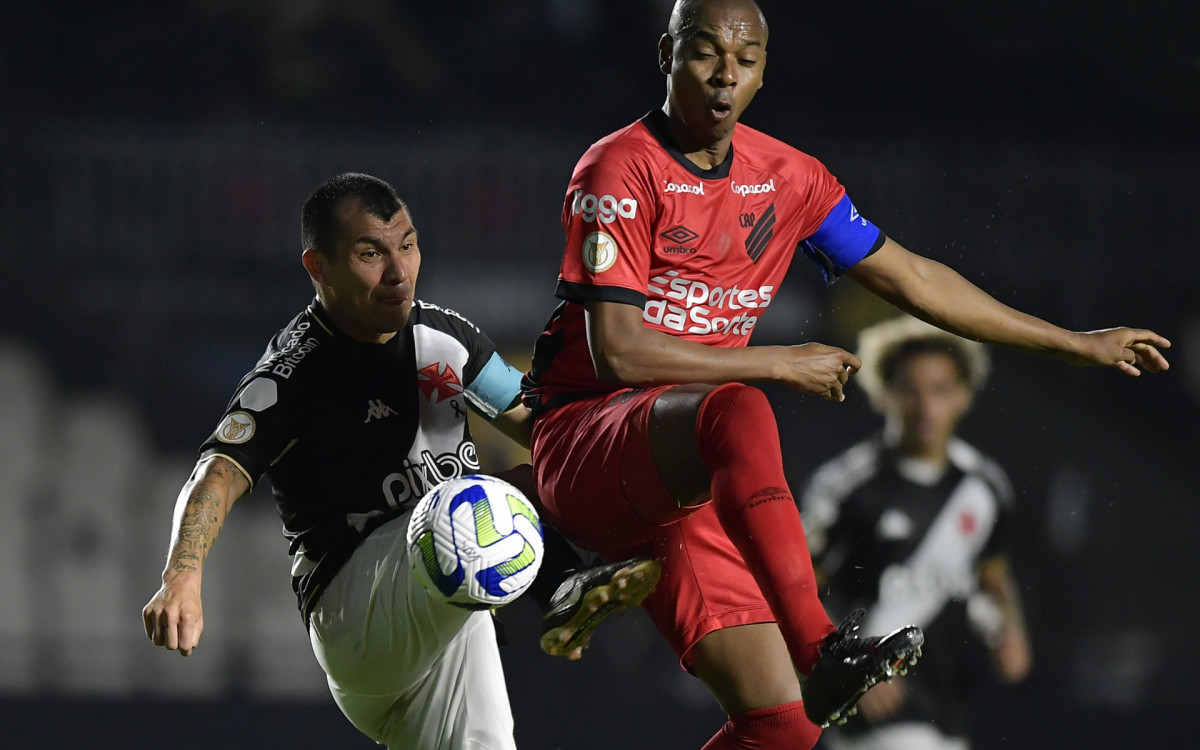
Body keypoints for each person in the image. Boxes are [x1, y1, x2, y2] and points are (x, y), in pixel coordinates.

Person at [519, 0, 1170, 747]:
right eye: (705, 53)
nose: (726, 76)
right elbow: (621, 353)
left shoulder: (790, 179)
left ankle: (816, 670)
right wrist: (776, 362)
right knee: (738, 410)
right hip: (586, 446)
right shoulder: (618, 168)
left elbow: (918, 279)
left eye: (747, 60)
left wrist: (1074, 343)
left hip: (679, 486)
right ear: (666, 54)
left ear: (765, 72)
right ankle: (824, 648)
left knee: (783, 726)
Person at [141, 172, 660, 750]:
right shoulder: (294, 374)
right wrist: (181, 575)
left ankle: (563, 587)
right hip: (358, 620)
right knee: (475, 504)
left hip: (449, 606)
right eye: (370, 254)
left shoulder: (446, 340)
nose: (398, 272)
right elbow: (216, 474)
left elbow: (548, 431)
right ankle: (562, 587)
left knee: (525, 484)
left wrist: (644, 462)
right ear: (318, 268)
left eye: (407, 245)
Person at [800, 315, 1032, 750]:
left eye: (941, 391)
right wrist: (849, 661)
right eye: (911, 390)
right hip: (873, 715)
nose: (926, 406)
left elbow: (994, 577)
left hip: (949, 708)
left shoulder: (984, 486)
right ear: (885, 393)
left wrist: (1012, 632)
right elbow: (796, 586)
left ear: (963, 396)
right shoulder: (844, 486)